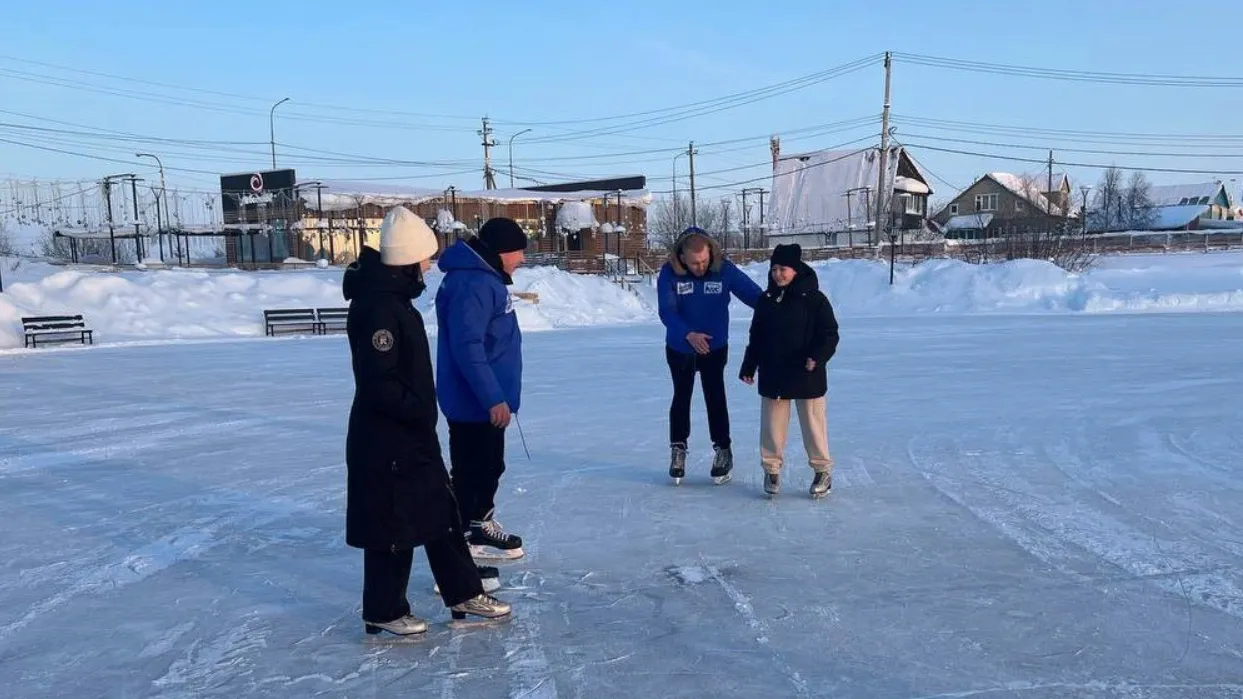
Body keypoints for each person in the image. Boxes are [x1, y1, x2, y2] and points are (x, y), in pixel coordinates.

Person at [343, 205, 511, 637]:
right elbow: (378, 381)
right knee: (392, 524)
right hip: (387, 436)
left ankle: (462, 592)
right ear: (407, 259)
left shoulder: (394, 300)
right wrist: (417, 408)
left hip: (410, 431)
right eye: (424, 258)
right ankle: (383, 608)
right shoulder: (378, 308)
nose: (429, 266)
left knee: (441, 511)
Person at [435, 217, 528, 562]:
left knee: (489, 465)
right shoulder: (473, 283)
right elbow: (468, 345)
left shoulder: (484, 279)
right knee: (472, 470)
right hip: (474, 401)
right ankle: (459, 547)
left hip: (485, 399)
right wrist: (492, 397)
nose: (521, 258)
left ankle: (480, 524)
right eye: (518, 251)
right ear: (501, 251)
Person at [657, 226, 764, 485]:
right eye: (694, 263)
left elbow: (755, 296)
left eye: (704, 261)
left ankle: (723, 450)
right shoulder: (669, 273)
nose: (700, 267)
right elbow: (667, 311)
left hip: (714, 348)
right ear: (682, 257)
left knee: (715, 396)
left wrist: (784, 306)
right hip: (681, 347)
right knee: (681, 396)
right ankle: (678, 449)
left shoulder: (723, 269)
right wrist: (688, 334)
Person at [738, 243, 840, 499]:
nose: (778, 274)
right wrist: (750, 364)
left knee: (813, 426)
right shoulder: (766, 300)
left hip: (807, 373)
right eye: (774, 269)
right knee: (772, 426)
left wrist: (817, 357)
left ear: (795, 270)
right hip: (774, 372)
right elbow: (757, 336)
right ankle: (771, 469)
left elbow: (829, 334)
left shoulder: (814, 299)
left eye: (783, 269)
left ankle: (822, 470)